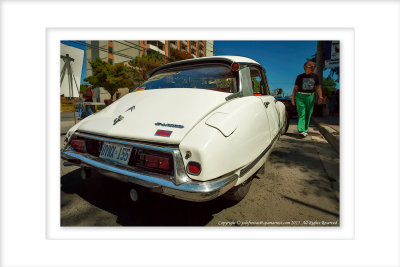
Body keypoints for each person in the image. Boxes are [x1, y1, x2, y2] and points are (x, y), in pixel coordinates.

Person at [291, 61, 323, 137]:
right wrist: (293, 99)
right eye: (311, 66)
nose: (313, 68)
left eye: (314, 66)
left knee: (308, 114)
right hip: (300, 97)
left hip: (310, 97)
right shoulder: (300, 77)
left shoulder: (315, 77)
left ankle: (305, 130)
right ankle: (301, 131)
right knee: (302, 113)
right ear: (305, 67)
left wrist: (320, 97)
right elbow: (295, 89)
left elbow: (318, 88)